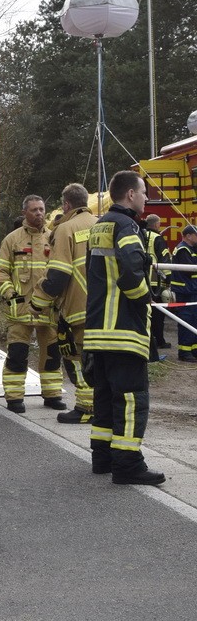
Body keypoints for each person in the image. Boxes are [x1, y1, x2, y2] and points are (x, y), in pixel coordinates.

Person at [84, 170, 164, 485]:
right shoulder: (127, 225)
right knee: (132, 398)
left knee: (104, 397)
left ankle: (102, 458)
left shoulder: (99, 225)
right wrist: (147, 299)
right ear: (130, 195)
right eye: (143, 192)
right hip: (124, 330)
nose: (146, 198)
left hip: (98, 330)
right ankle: (128, 465)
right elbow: (131, 272)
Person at [28, 183, 97, 424]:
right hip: (104, 308)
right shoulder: (101, 223)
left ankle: (86, 407)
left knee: (77, 359)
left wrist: (37, 304)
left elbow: (57, 275)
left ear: (66, 204)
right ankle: (102, 404)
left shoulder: (65, 229)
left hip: (78, 308)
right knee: (100, 359)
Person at [0, 195, 66, 413]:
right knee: (17, 354)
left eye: (42, 209)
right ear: (24, 212)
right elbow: (1, 274)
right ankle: (14, 398)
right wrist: (12, 297)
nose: (39, 214)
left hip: (48, 309)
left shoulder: (54, 238)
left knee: (52, 354)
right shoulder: (12, 240)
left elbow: (61, 272)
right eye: (34, 210)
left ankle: (52, 395)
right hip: (20, 311)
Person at [144, 214, 172, 360]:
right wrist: (168, 280)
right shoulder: (158, 239)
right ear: (156, 225)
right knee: (158, 315)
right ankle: (159, 341)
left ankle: (149, 342)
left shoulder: (139, 234)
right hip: (156, 282)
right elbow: (165, 260)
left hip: (142, 280)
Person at [170, 224, 197, 363]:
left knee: (194, 321)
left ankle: (193, 349)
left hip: (192, 291)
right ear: (188, 236)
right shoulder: (183, 249)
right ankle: (184, 352)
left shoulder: (192, 249)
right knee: (186, 321)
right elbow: (190, 269)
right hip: (185, 292)